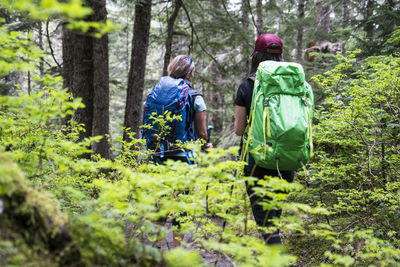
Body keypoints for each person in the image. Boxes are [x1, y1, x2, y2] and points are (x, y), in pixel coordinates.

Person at [234, 34, 294, 245]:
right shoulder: (293, 84)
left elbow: (239, 130)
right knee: (273, 219)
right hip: (287, 158)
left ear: (255, 56)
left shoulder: (248, 85)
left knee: (266, 227)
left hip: (258, 160)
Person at [143, 55, 212, 165]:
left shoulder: (157, 92)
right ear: (190, 73)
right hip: (182, 155)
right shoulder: (195, 97)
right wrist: (206, 146)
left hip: (156, 153)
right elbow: (202, 134)